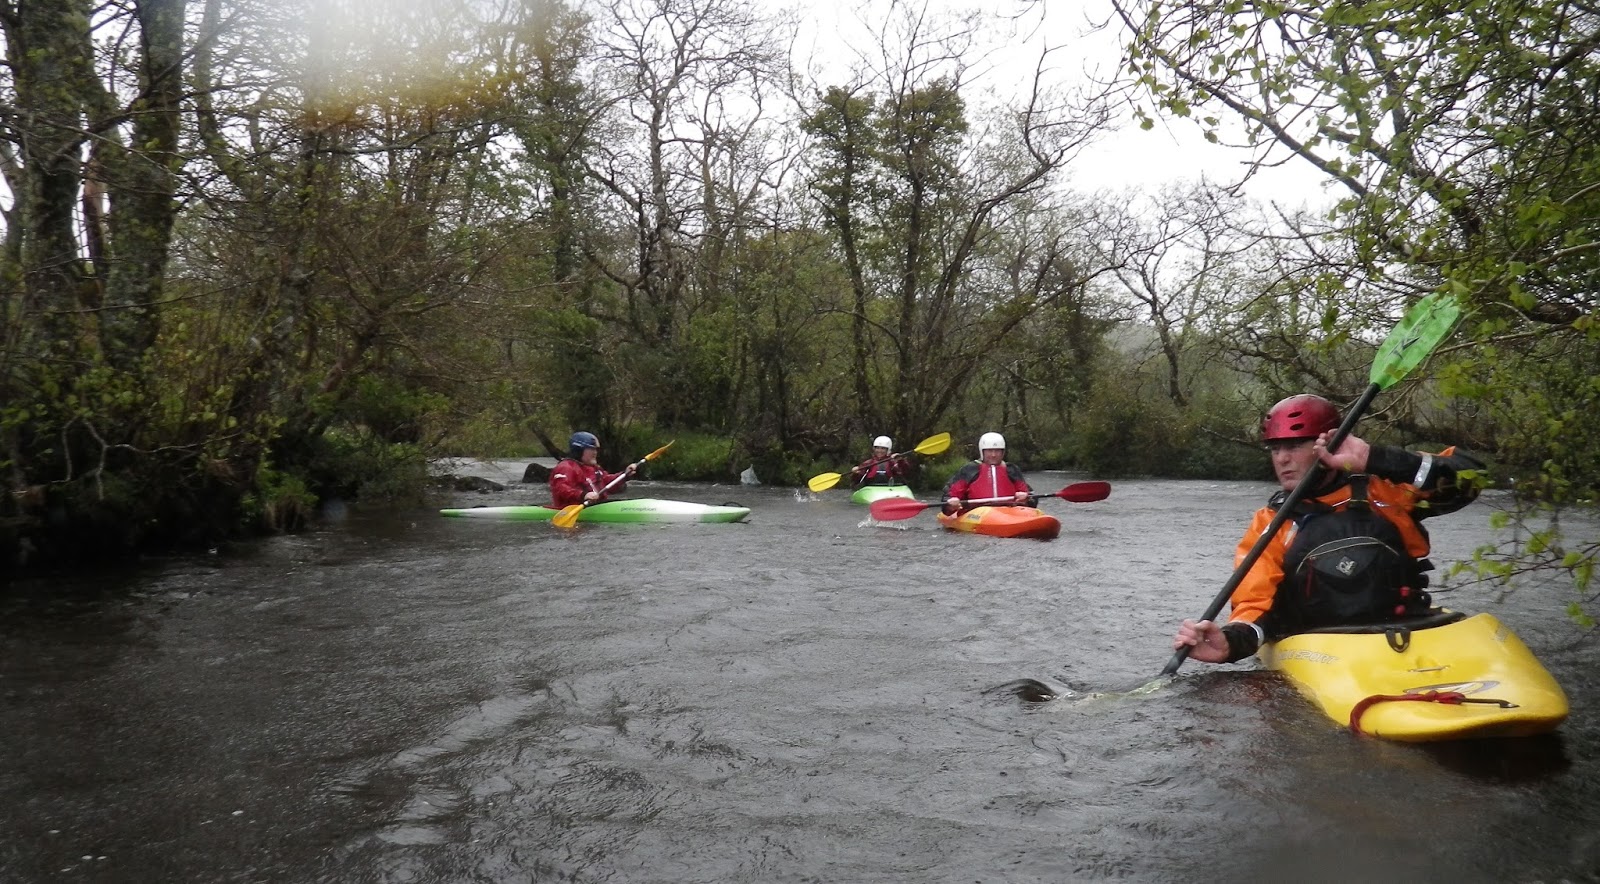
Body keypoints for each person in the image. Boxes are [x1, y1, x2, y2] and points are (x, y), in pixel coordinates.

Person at [1173, 394, 1486, 665]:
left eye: (1295, 445)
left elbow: (1471, 478)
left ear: (1328, 443)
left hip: (1409, 632)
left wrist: (1375, 458)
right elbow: (1255, 604)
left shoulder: (1387, 492)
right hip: (1319, 648)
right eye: (1275, 448)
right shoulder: (1270, 524)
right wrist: (1231, 642)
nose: (1282, 458)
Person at [943, 432, 1033, 513]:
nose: (993, 455)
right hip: (976, 512)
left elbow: (1031, 497)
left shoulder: (1011, 469)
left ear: (1003, 452)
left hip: (1009, 511)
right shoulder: (970, 469)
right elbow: (949, 494)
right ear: (982, 451)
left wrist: (1026, 497)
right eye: (989, 451)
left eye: (997, 451)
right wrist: (951, 502)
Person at [549, 431, 638, 508]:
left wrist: (625, 475)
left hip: (596, 506)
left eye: (595, 449)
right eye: (591, 449)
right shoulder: (566, 467)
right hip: (570, 509)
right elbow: (561, 489)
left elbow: (607, 483)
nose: (595, 453)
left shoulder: (594, 468)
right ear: (579, 450)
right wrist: (583, 495)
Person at [850, 435, 915, 487]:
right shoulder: (868, 463)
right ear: (874, 449)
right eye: (877, 448)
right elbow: (856, 482)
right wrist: (855, 474)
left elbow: (906, 472)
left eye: (883, 448)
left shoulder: (893, 462)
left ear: (888, 450)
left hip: (891, 490)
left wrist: (901, 461)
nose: (879, 451)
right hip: (871, 490)